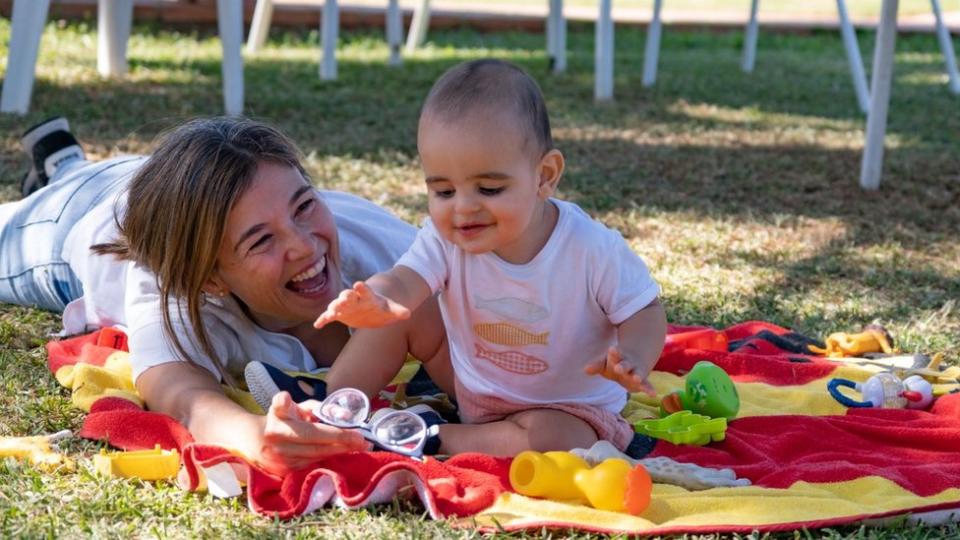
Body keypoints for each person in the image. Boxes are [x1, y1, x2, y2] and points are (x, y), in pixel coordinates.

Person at [0, 116, 453, 475]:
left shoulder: (384, 253)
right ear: (210, 279)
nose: (303, 244)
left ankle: (63, 160)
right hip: (82, 217)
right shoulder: (171, 282)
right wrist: (257, 437)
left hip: (165, 180)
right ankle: (66, 173)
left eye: (304, 205)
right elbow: (180, 393)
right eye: (260, 241)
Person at [314, 59, 668, 456]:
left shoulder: (590, 249)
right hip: (472, 386)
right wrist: (377, 298)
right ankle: (331, 407)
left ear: (545, 176)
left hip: (565, 407)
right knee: (399, 315)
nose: (463, 208)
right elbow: (404, 280)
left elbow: (644, 310)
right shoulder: (446, 240)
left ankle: (428, 438)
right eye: (444, 192)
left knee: (561, 441)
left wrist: (634, 356)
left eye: (488, 189)